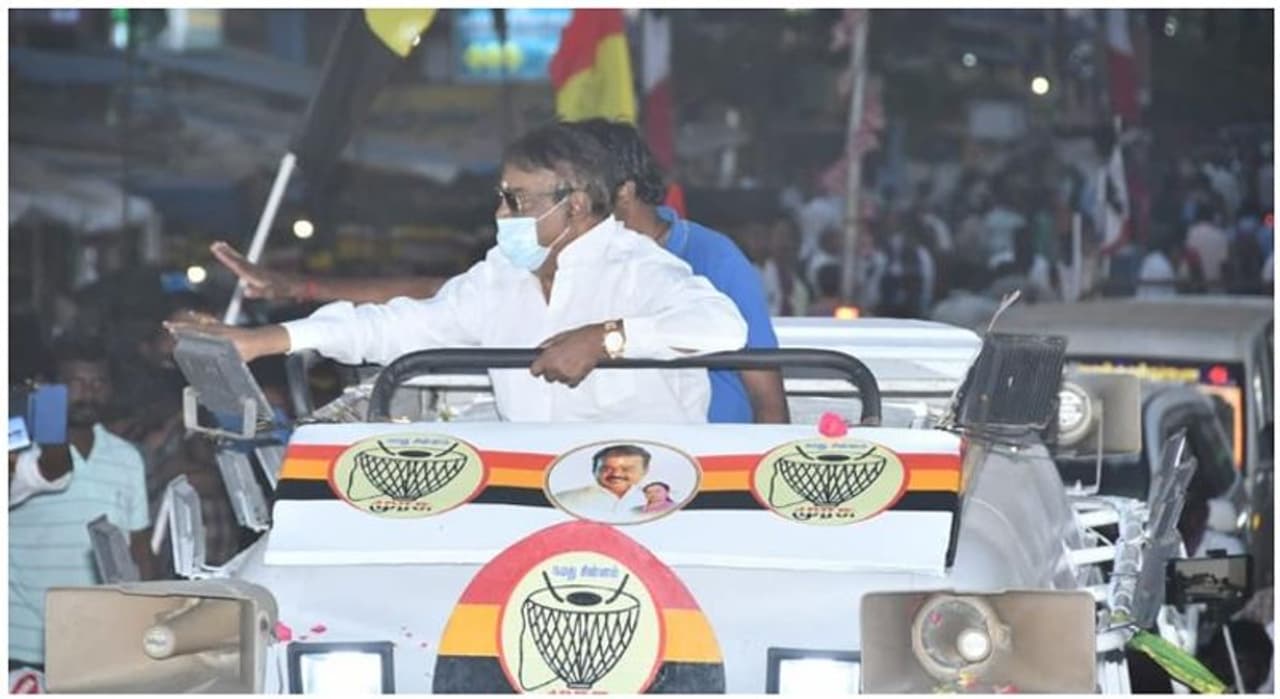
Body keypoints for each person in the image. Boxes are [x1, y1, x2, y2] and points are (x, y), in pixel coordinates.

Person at [211, 120, 787, 425]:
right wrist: (267, 340)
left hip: (654, 493)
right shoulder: (500, 276)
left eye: (518, 200)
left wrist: (609, 339)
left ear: (575, 205)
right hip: (530, 496)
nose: (501, 214)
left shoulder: (638, 267)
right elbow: (396, 325)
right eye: (501, 197)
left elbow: (720, 326)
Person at [570, 118, 788, 424]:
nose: (570, 206)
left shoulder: (713, 257)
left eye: (576, 192)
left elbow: (766, 395)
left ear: (624, 192)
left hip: (712, 447)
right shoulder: (574, 262)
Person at [9, 335, 154, 670]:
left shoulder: (127, 457)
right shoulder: (18, 452)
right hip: (22, 642)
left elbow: (139, 550)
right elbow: (52, 468)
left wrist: (146, 617)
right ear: (48, 389)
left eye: (99, 382)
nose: (88, 393)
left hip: (96, 642)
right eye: (74, 383)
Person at [555, 444, 652, 520]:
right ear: (594, 470)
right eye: (607, 468)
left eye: (626, 469)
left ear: (644, 471)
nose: (616, 474)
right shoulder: (562, 500)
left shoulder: (657, 501)